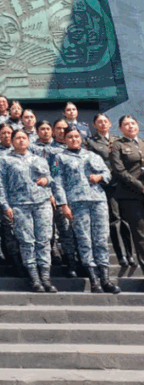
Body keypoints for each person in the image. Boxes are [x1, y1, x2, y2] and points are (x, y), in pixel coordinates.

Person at [54, 127, 120, 294]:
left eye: (76, 136)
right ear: (65, 139)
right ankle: (94, 280)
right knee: (84, 240)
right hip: (77, 202)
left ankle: (105, 279)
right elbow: (58, 183)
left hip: (97, 200)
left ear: (82, 138)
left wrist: (100, 177)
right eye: (70, 137)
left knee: (101, 239)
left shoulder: (92, 155)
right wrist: (63, 204)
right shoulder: (60, 158)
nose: (74, 139)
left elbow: (107, 172)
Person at [0, 129, 56, 293]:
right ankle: (34, 279)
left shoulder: (39, 159)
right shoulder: (5, 160)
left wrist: (47, 180)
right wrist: (5, 205)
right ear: (12, 141)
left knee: (44, 240)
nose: (21, 141)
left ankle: (45, 278)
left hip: (42, 203)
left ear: (29, 141)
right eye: (18, 138)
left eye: (24, 138)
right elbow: (1, 185)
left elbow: (51, 178)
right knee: (27, 241)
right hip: (20, 205)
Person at [86, 113, 134, 267]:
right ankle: (121, 255)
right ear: (94, 125)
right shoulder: (91, 143)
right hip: (107, 185)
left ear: (110, 124)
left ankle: (130, 253)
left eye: (105, 121)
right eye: (99, 122)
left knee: (126, 219)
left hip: (123, 184)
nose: (103, 124)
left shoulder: (117, 140)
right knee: (114, 220)